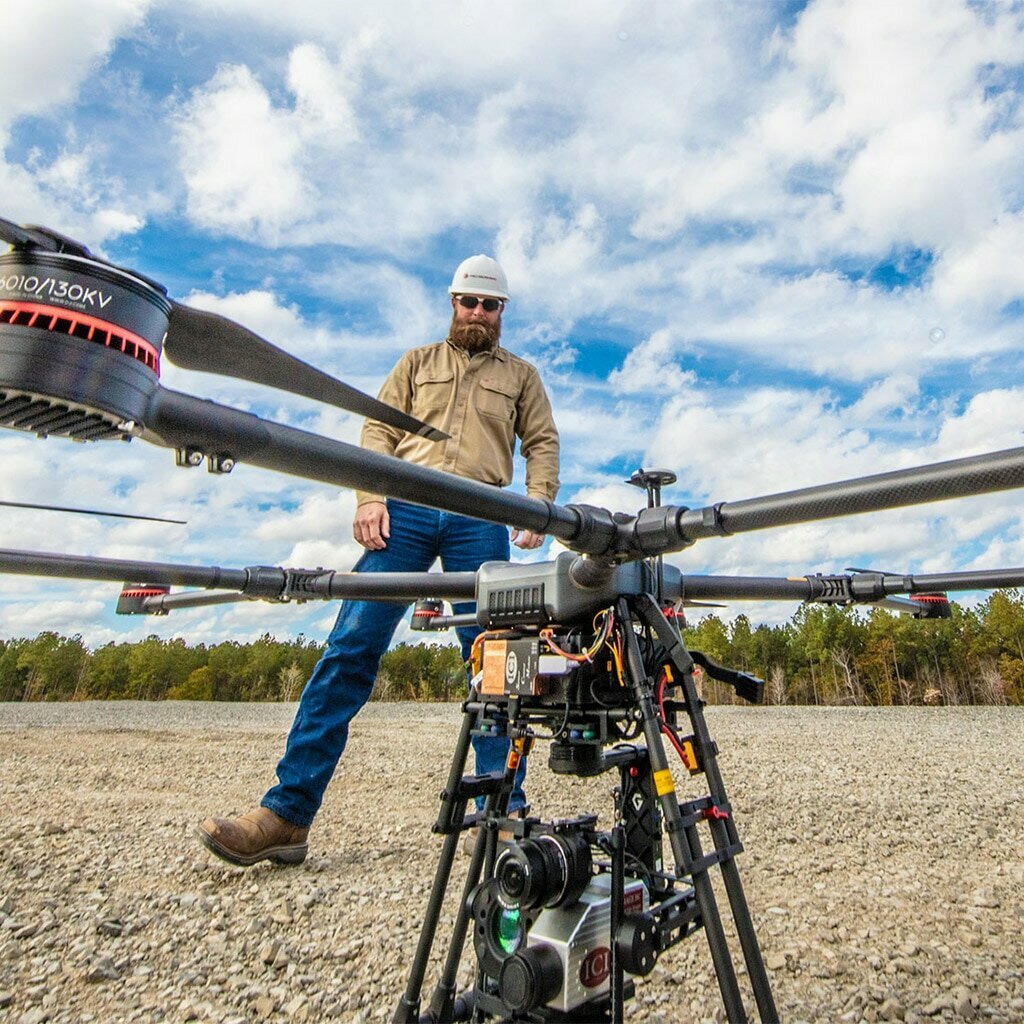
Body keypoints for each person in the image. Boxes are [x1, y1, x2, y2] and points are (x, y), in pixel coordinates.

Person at [197, 255, 560, 867]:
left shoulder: (521, 375)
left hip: (481, 514)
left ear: (503, 313)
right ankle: (285, 815)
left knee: (501, 663)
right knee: (351, 649)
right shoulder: (415, 363)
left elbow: (542, 441)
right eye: (468, 301)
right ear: (452, 302)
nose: (478, 312)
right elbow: (376, 432)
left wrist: (538, 504)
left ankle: (502, 810)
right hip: (407, 509)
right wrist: (369, 495)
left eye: (490, 305)